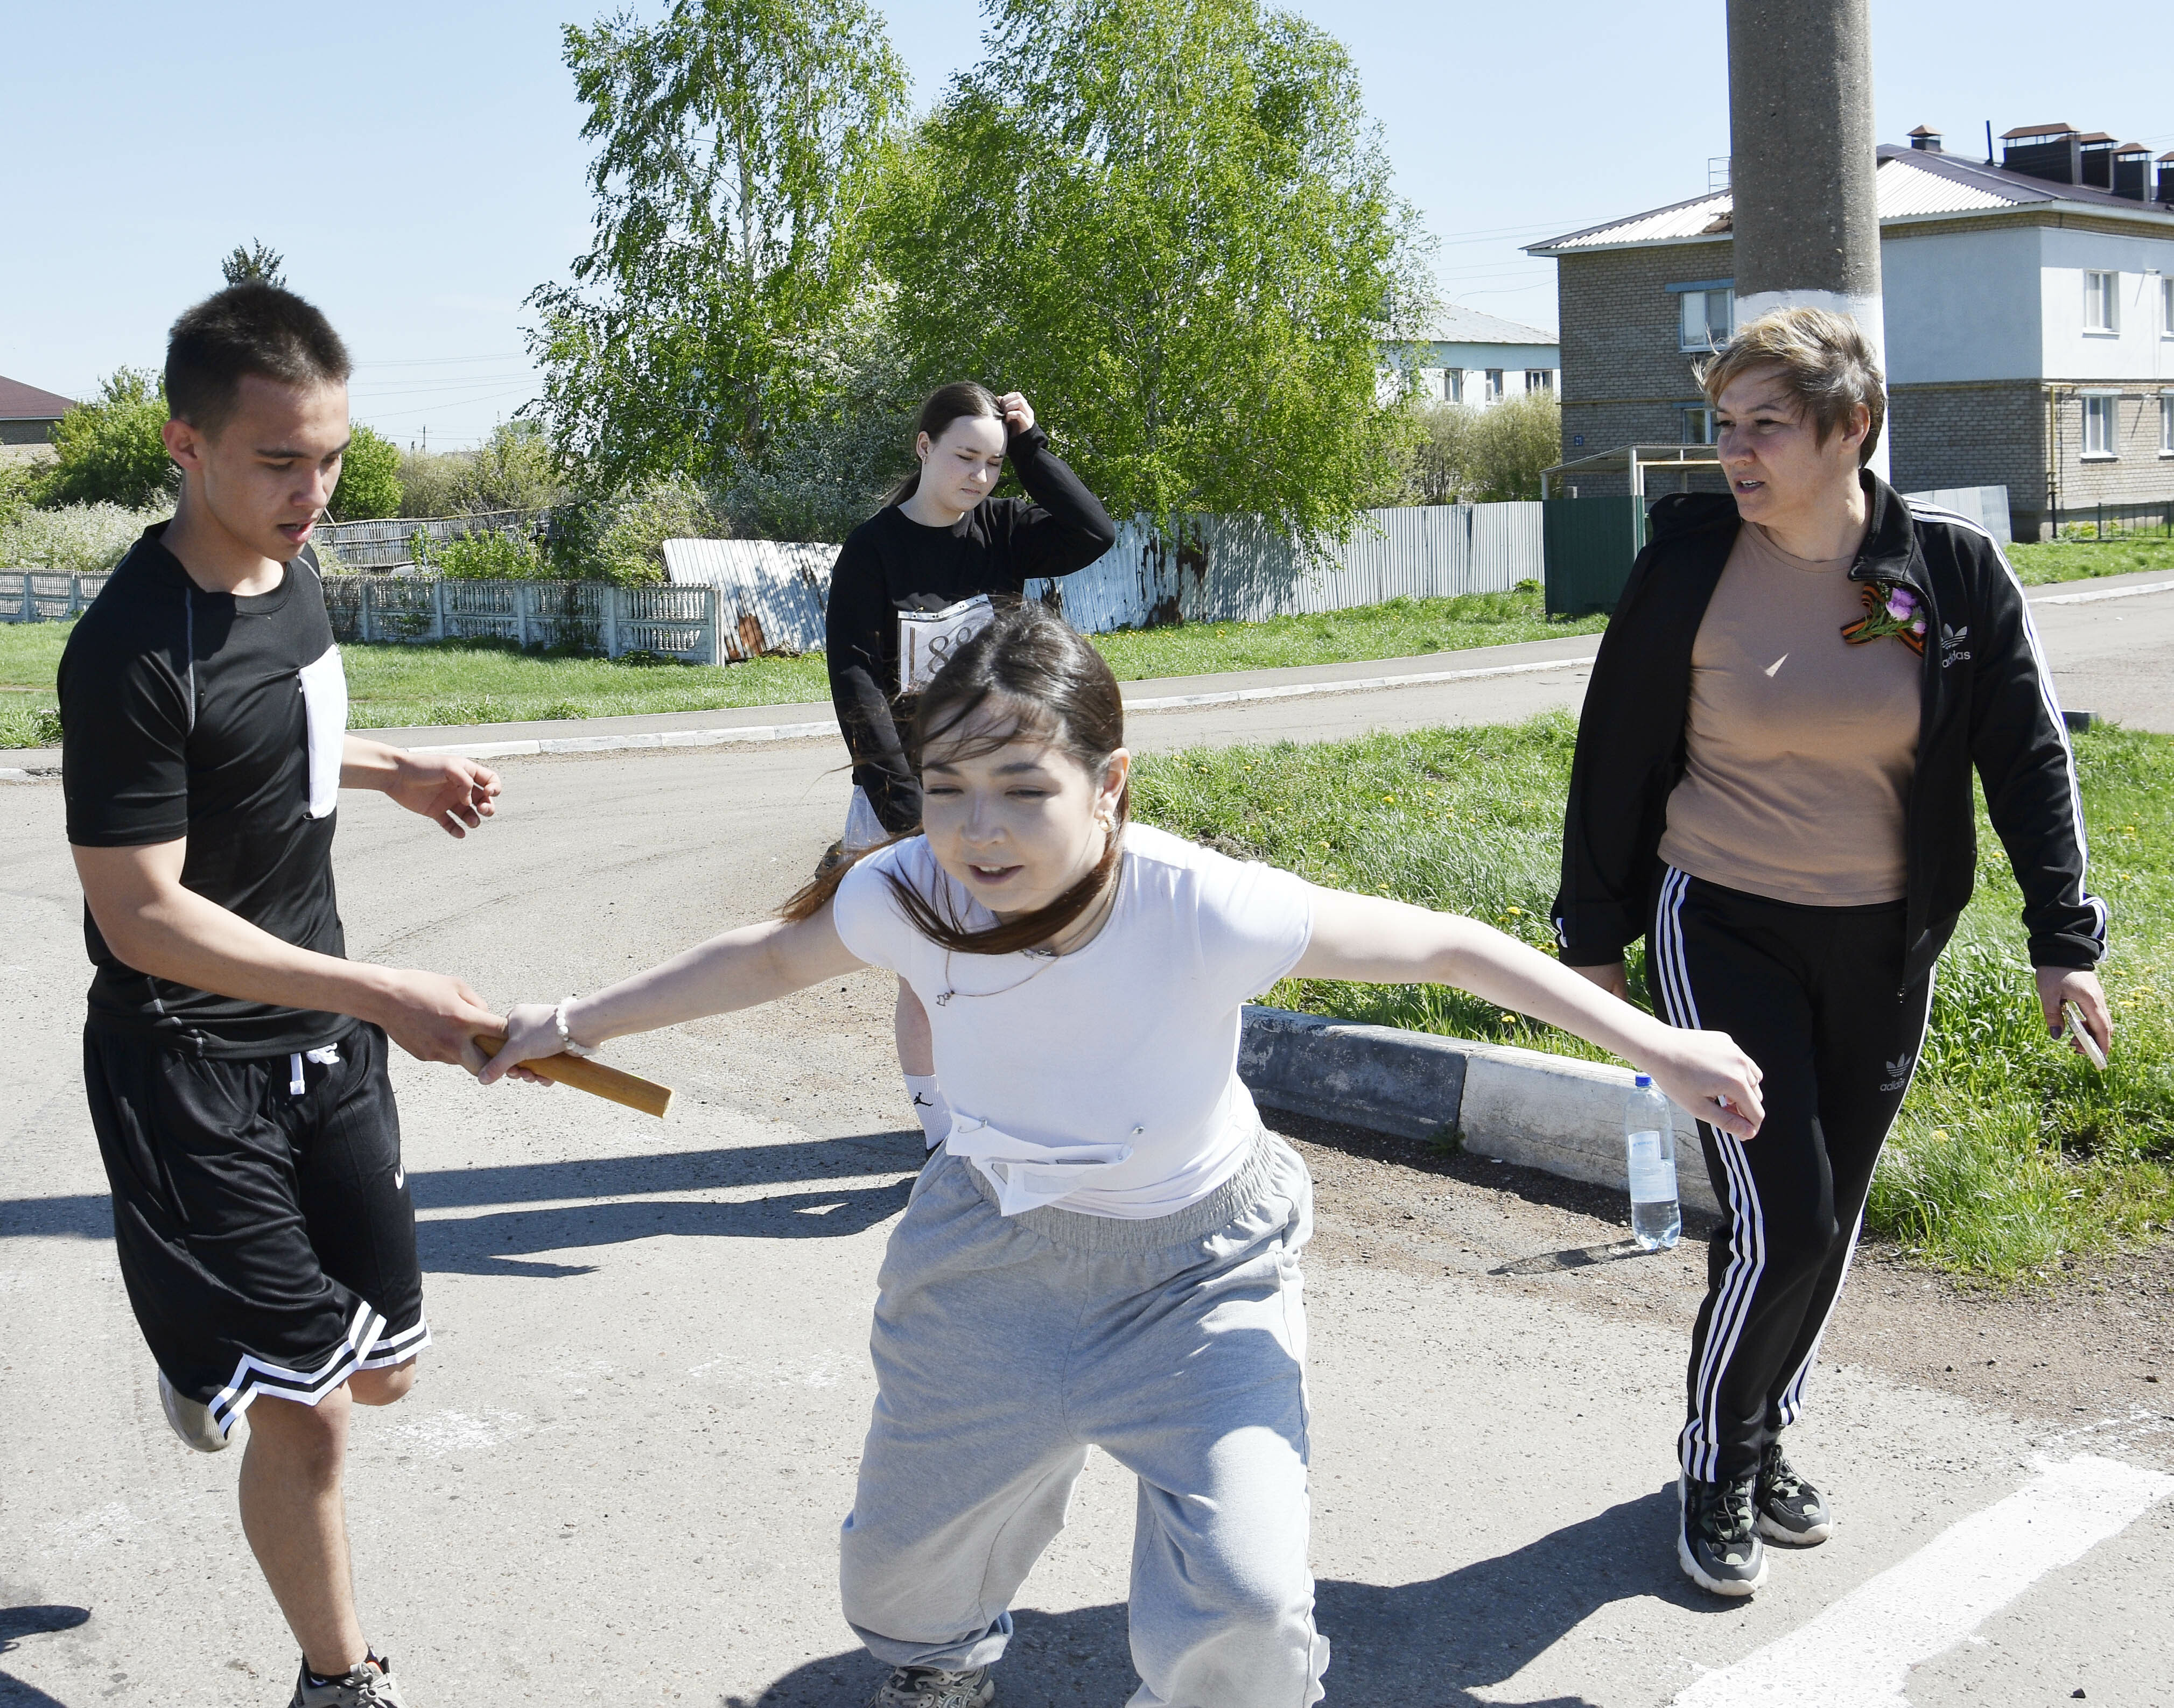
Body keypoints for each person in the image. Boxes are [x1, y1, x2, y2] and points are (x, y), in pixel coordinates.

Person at [482, 601, 1764, 1708]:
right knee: (899, 1570)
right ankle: (947, 1652)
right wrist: (570, 1021)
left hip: (1201, 1273)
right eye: (946, 789)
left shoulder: (1199, 905)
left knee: (1252, 1610)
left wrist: (1660, 1043)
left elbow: (1444, 945)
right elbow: (765, 955)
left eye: (1024, 789)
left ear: (1111, 787)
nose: (980, 832)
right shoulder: (909, 893)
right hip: (987, 1252)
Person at [1551, 306, 2112, 1598]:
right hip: (1723, 922)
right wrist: (1594, 938)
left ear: (1851, 429)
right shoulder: (1691, 566)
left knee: (1833, 1214)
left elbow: (2026, 757)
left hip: (1885, 936)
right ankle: (1720, 1464)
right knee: (1783, 1215)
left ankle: (1767, 1429)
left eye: (1766, 427)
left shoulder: (1948, 571)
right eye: (1723, 427)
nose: (1735, 455)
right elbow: (1616, 752)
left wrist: (2062, 939)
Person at [60, 283, 509, 1707]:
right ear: (185, 445)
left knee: (383, 1369)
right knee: (310, 1416)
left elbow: (281, 720)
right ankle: (339, 1680)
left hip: (325, 1052)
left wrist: (396, 768)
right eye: (277, 461)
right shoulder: (129, 648)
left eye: (329, 457)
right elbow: (141, 916)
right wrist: (378, 983)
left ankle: (217, 1361)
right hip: (189, 1067)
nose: (311, 491)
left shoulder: (288, 570)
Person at [824, 383, 1117, 1154]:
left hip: (1005, 792)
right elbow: (856, 682)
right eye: (966, 458)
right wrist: (908, 807)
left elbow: (1093, 533)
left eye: (992, 463)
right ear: (923, 448)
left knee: (1025, 957)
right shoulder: (873, 549)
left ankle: (1011, 1112)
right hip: (907, 796)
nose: (980, 478)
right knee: (928, 973)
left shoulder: (1003, 530)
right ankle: (939, 1126)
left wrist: (1029, 445)